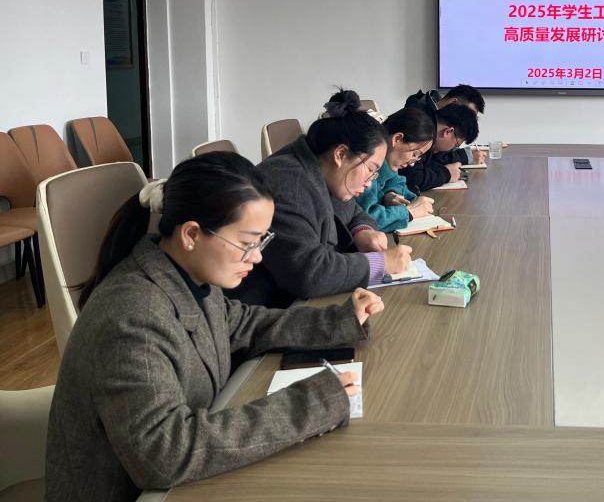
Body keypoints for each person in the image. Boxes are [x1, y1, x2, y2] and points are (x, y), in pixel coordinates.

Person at [45, 152, 385, 502]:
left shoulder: (183, 273)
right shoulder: (133, 317)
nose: (257, 256)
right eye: (247, 243)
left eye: (262, 241)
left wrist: (341, 319)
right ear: (192, 234)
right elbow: (165, 453)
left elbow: (243, 323)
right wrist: (310, 403)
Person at [228, 89, 412, 308]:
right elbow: (308, 274)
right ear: (340, 154)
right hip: (265, 308)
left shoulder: (323, 169)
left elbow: (355, 211)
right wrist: (380, 263)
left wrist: (363, 231)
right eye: (370, 169)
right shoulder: (288, 184)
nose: (370, 182)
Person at [355, 107, 437, 232]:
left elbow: (395, 181)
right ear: (397, 139)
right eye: (414, 154)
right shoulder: (365, 166)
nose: (412, 164)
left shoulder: (388, 161)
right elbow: (364, 220)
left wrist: (390, 194)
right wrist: (408, 212)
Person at [400, 103, 480, 193]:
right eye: (456, 145)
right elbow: (413, 179)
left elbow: (432, 162)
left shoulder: (429, 125)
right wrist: (447, 174)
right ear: (448, 132)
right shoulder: (419, 130)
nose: (451, 149)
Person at [404, 84, 488, 165]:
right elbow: (424, 164)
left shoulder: (434, 111)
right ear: (453, 102)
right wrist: (463, 156)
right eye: (468, 112)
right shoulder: (418, 119)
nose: (469, 119)